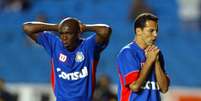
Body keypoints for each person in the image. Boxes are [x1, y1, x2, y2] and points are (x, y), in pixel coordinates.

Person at [23, 17, 112, 101]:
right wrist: (56, 27)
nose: (64, 38)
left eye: (69, 33)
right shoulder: (54, 44)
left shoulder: (88, 47)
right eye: (61, 33)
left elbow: (106, 30)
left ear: (78, 33)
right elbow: (27, 27)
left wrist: (85, 27)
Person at [116, 13, 170, 101]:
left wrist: (156, 62)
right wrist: (149, 61)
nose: (155, 35)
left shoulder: (157, 54)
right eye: (151, 30)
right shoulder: (128, 52)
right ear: (138, 31)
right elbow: (135, 86)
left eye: (156, 31)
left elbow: (164, 88)